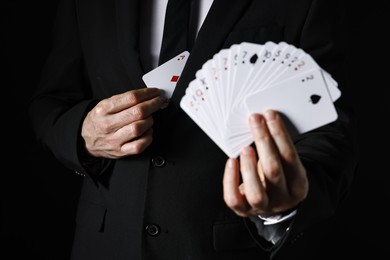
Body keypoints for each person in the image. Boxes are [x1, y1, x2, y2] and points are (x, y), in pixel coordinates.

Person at [28, 0, 358, 259]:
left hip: (228, 250)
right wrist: (84, 132)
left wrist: (285, 201)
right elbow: (50, 103)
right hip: (104, 245)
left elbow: (331, 130)